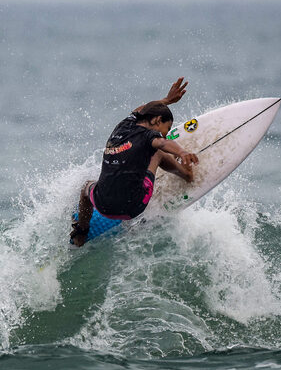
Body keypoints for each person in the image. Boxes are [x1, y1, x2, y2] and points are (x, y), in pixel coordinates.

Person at [70, 77, 199, 247]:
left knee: (86, 188)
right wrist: (182, 152)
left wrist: (166, 101)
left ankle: (81, 233)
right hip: (133, 208)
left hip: (102, 204)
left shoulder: (123, 125)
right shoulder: (149, 136)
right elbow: (163, 144)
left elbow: (140, 110)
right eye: (166, 129)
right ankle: (187, 174)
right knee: (158, 153)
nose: (166, 134)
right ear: (157, 120)